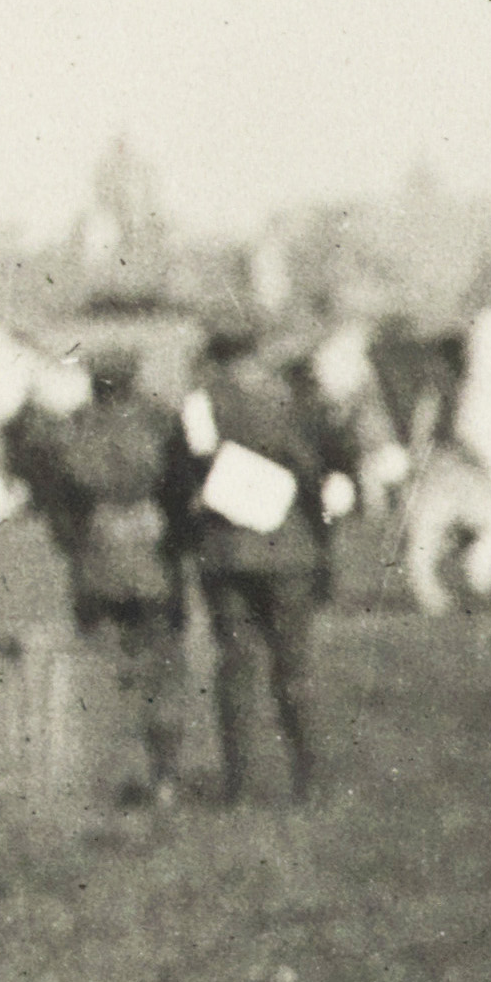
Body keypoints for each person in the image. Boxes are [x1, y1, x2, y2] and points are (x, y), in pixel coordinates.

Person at [174, 318, 363, 806]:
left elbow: (186, 470)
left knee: (235, 666)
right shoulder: (295, 398)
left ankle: (239, 785)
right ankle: (309, 780)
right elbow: (333, 464)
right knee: (294, 665)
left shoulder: (201, 402)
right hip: (290, 549)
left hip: (225, 549)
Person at [15, 341, 194, 804]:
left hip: (96, 559)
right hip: (155, 559)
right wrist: (176, 544)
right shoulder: (162, 422)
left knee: (103, 671)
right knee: (162, 669)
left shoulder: (74, 429)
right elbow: (181, 490)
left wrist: (75, 547)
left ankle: (109, 775)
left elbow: (58, 504)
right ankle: (165, 778)